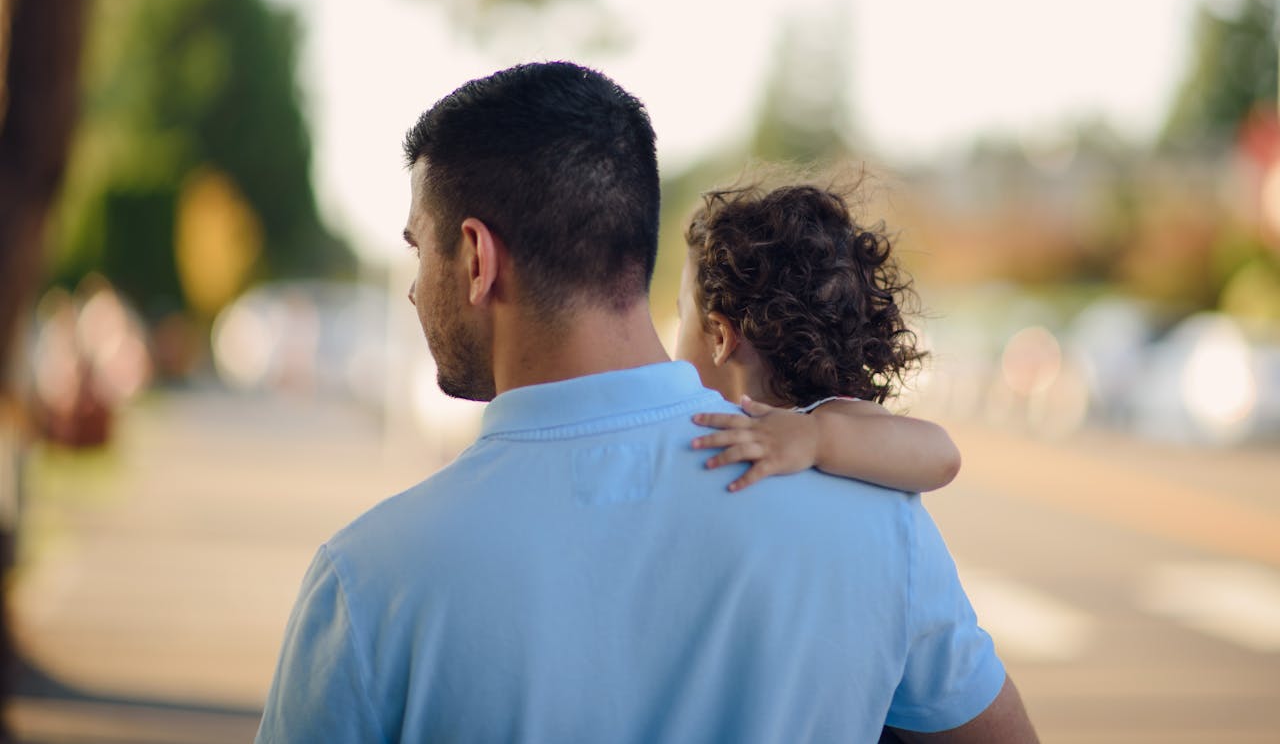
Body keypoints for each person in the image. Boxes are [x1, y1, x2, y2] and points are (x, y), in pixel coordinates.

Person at [255, 61, 1038, 743]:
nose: (411, 288)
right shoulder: (874, 517)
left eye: (417, 249)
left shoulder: (370, 580)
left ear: (477, 257)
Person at [680, 182, 962, 495]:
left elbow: (943, 455)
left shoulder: (828, 414)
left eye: (682, 317)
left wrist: (816, 438)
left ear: (721, 338)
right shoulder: (734, 427)